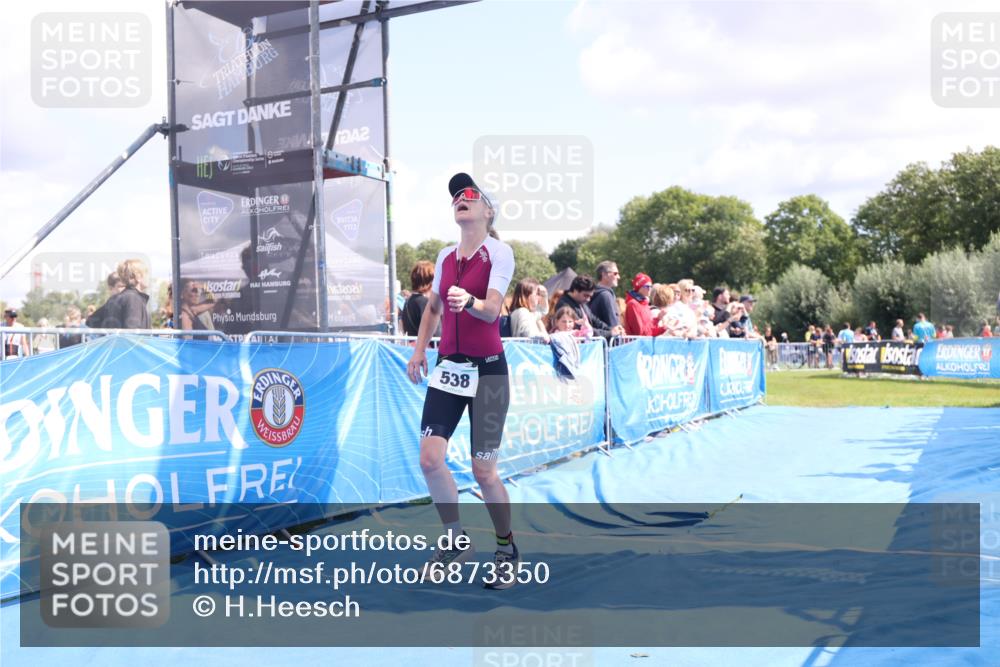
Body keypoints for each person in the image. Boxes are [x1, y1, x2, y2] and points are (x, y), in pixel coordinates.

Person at [405, 173, 518, 589]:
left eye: (470, 195)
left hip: (488, 371)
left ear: (488, 210)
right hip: (447, 370)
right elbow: (433, 307)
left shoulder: (500, 252)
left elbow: (491, 311)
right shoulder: (444, 256)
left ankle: (506, 548)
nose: (461, 199)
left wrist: (468, 301)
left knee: (484, 472)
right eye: (456, 196)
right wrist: (419, 350)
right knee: (430, 460)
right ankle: (455, 540)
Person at [401, 261, 438, 337]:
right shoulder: (424, 302)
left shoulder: (408, 302)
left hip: (414, 347)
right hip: (429, 348)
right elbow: (436, 333)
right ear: (431, 281)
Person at [589, 261, 624, 336]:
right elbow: (613, 324)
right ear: (604, 275)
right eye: (615, 273)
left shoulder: (593, 293)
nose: (618, 277)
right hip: (608, 343)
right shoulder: (606, 295)